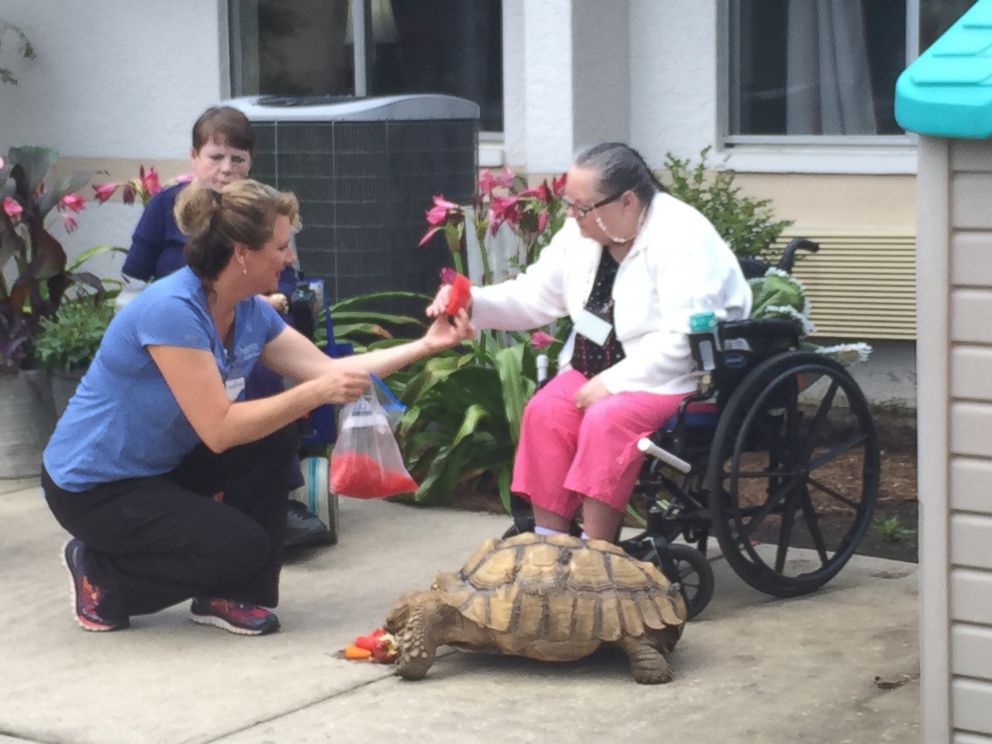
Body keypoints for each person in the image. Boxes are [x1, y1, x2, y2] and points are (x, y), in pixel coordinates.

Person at [43, 179, 473, 635]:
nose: (289, 258)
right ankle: (100, 574)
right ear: (242, 253)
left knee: (274, 435)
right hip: (94, 486)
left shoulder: (248, 310)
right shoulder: (171, 309)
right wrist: (311, 395)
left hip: (159, 466)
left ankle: (228, 595)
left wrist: (429, 344)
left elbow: (327, 371)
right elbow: (220, 430)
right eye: (281, 246)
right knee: (240, 547)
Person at [428, 142, 751, 541]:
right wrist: (472, 302)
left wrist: (614, 382)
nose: (570, 214)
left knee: (606, 419)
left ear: (627, 202)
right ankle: (549, 540)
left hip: (673, 376)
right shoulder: (582, 231)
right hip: (594, 365)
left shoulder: (683, 237)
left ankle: (594, 552)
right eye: (568, 203)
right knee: (544, 411)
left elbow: (685, 338)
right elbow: (535, 297)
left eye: (581, 207)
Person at [121, 105, 324, 547]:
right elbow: (135, 279)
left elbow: (288, 275)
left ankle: (275, 497)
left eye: (238, 158)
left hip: (250, 316)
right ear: (194, 156)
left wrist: (269, 300)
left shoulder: (265, 209)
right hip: (177, 329)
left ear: (251, 161)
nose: (226, 169)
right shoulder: (164, 207)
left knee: (264, 375)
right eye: (216, 157)